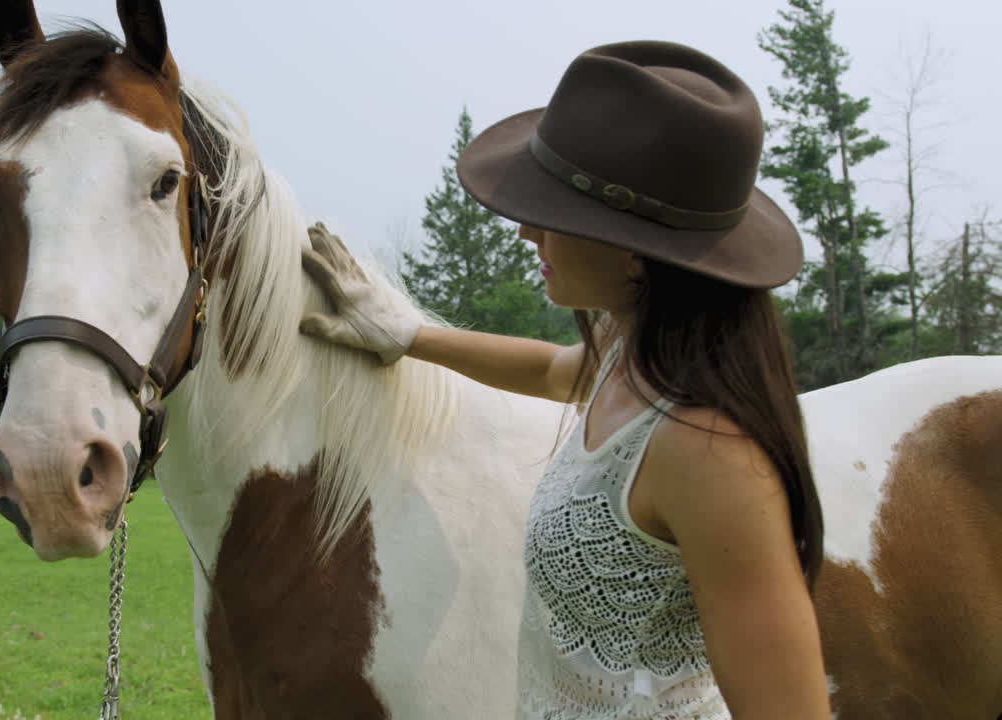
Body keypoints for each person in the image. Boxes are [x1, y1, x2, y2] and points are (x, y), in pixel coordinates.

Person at [298, 41, 831, 719]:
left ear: (637, 252)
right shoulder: (629, 354)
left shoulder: (710, 453)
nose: (526, 232)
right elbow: (550, 369)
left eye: (556, 214)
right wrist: (408, 335)